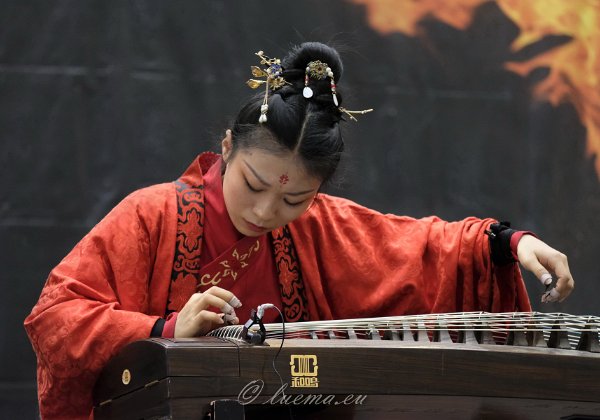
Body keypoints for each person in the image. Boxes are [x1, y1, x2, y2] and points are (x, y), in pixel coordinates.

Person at [24, 42, 574, 419]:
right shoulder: (152, 216)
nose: (266, 212)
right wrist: (165, 327)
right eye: (254, 184)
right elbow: (56, 319)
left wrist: (513, 244)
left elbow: (428, 250)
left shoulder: (320, 228)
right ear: (226, 148)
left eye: (294, 198)